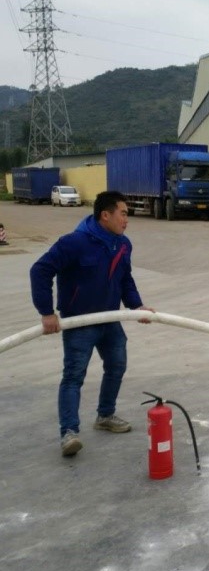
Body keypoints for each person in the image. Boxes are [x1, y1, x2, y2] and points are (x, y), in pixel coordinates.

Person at [30, 191, 154, 457]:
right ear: (105, 215)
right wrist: (46, 312)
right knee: (74, 376)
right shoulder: (74, 243)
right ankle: (69, 432)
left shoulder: (123, 244)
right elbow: (40, 270)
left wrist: (136, 307)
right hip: (79, 323)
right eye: (123, 213)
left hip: (109, 320)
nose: (127, 220)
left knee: (117, 366)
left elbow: (125, 279)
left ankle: (105, 415)